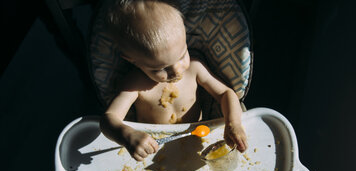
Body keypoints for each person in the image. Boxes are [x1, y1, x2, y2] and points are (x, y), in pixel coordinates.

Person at [100, 0, 247, 161]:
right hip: (153, 152)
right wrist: (126, 134)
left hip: (199, 143)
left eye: (183, 55)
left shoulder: (195, 68)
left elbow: (226, 93)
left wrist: (233, 123)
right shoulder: (135, 84)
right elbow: (108, 119)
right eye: (160, 68)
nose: (177, 70)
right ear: (134, 61)